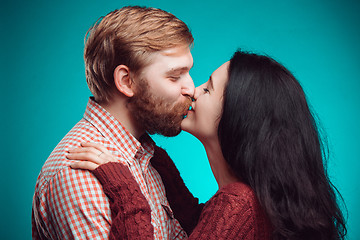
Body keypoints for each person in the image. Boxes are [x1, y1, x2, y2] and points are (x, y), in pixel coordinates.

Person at [68, 50, 347, 239]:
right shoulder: (248, 202)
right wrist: (157, 160)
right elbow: (203, 225)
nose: (193, 89)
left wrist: (124, 187)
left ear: (238, 116)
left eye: (209, 88)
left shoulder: (238, 205)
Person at [32, 6, 197, 239]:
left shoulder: (147, 161)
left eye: (188, 73)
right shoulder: (79, 176)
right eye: (174, 76)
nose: (190, 88)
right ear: (126, 81)